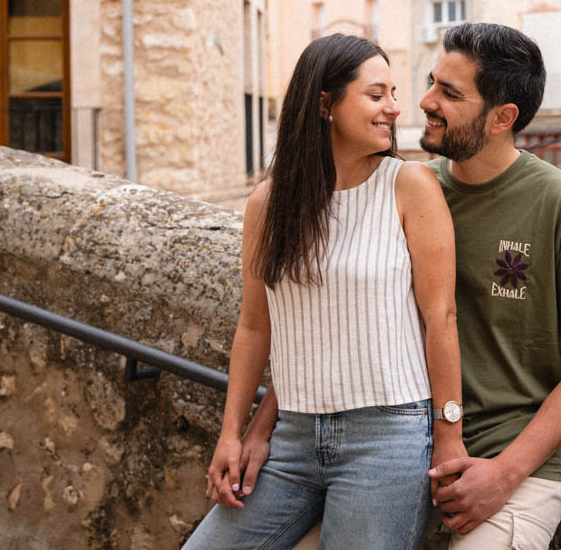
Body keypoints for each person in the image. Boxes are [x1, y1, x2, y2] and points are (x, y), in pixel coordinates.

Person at [181, 34, 465, 550]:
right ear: (325, 105)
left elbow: (440, 317)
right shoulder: (268, 202)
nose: (395, 108)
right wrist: (234, 432)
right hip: (292, 435)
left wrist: (448, 435)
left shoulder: (411, 186)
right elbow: (254, 326)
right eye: (376, 95)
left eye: (393, 93)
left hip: (388, 439)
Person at [418, 22, 561, 549]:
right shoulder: (414, 191)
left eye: (449, 92)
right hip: (409, 446)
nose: (426, 101)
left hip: (516, 463)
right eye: (431, 83)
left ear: (502, 118)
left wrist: (505, 475)